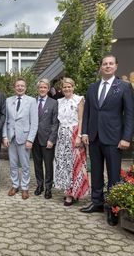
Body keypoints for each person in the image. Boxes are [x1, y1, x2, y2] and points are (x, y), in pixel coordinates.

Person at [81, 55, 134, 222]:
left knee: (113, 175)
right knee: (95, 172)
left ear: (116, 66)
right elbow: (87, 112)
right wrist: (84, 133)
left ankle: (113, 208)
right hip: (94, 137)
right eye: (105, 64)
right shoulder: (92, 87)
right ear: (101, 67)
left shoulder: (124, 87)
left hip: (114, 138)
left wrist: (126, 137)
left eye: (111, 64)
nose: (108, 66)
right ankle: (96, 202)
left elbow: (130, 114)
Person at [54, 78, 89, 206]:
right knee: (64, 164)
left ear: (73, 87)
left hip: (74, 134)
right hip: (62, 135)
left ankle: (76, 192)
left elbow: (81, 119)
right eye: (64, 87)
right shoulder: (59, 101)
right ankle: (68, 193)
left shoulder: (79, 100)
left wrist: (79, 136)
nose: (67, 89)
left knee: (75, 164)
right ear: (61, 89)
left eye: (69, 87)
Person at [2, 78, 38, 200]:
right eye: (18, 86)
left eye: (22, 86)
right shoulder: (8, 101)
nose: (20, 88)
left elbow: (34, 122)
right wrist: (4, 136)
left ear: (26, 87)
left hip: (24, 137)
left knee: (25, 164)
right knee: (12, 164)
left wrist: (30, 139)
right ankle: (15, 185)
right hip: (11, 137)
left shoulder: (32, 101)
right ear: (14, 87)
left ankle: (25, 188)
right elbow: (5, 120)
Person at [32, 79, 59, 199]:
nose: (42, 89)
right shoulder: (32, 102)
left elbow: (55, 123)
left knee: (48, 165)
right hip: (34, 138)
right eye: (40, 87)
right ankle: (40, 185)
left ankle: (48, 188)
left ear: (48, 89)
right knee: (37, 164)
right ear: (37, 89)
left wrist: (51, 139)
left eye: (44, 87)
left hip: (47, 139)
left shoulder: (54, 103)